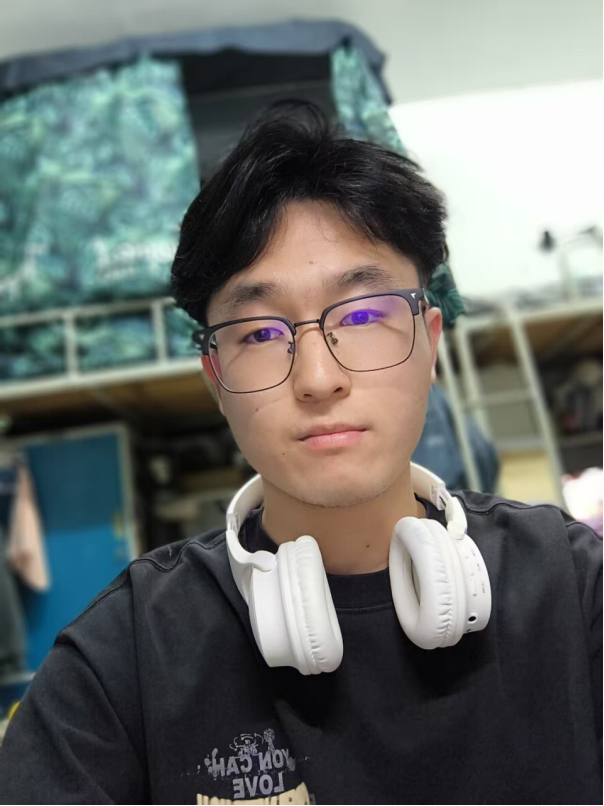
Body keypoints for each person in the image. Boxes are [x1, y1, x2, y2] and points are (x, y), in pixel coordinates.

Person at [0, 105, 601, 805]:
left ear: (430, 341)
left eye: (365, 315)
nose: (319, 378)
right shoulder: (118, 661)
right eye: (259, 333)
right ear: (215, 378)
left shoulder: (574, 590)